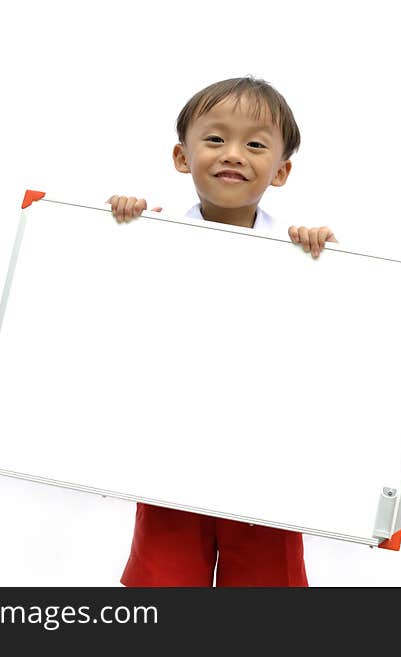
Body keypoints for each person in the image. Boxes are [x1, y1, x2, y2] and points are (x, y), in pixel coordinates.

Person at [107, 77, 336, 587]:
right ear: (181, 157)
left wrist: (329, 260)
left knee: (266, 582)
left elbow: (332, 339)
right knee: (163, 578)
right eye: (214, 139)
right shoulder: (153, 236)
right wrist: (121, 230)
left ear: (281, 171)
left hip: (266, 460)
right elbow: (113, 321)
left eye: (255, 144)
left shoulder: (302, 256)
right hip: (172, 451)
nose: (233, 154)